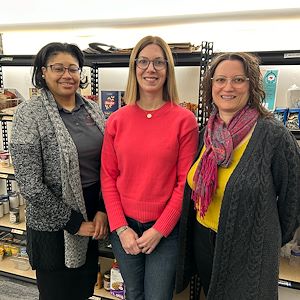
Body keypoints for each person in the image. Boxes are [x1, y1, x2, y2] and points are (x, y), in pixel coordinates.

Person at [176, 52, 300, 299]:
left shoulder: (273, 136)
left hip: (248, 249)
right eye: (220, 80)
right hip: (204, 240)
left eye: (238, 80)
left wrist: (267, 241)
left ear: (251, 84)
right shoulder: (206, 134)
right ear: (211, 86)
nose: (228, 87)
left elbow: (293, 201)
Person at [101, 35, 199, 300]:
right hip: (125, 228)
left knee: (157, 296)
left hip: (165, 231)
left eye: (159, 62)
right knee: (133, 294)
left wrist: (160, 229)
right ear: (134, 68)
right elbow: (108, 178)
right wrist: (121, 228)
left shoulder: (184, 121)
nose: (150, 69)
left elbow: (185, 183)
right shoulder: (117, 120)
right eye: (143, 62)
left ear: (168, 69)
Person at [10, 42, 108, 300]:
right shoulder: (28, 115)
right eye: (58, 68)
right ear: (43, 72)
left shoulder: (93, 110)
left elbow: (107, 165)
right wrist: (74, 223)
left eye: (73, 68)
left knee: (83, 289)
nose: (67, 75)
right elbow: (29, 184)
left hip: (92, 211)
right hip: (52, 225)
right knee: (57, 293)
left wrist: (101, 209)